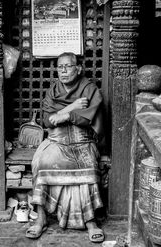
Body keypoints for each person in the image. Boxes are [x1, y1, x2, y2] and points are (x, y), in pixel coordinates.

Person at [26, 52, 104, 243]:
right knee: (42, 162)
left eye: (68, 66)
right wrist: (71, 108)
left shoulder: (89, 88)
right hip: (56, 140)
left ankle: (91, 220)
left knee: (88, 164)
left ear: (78, 69)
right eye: (60, 67)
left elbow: (89, 116)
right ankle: (41, 218)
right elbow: (48, 120)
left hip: (82, 139)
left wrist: (65, 116)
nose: (63, 71)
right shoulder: (53, 90)